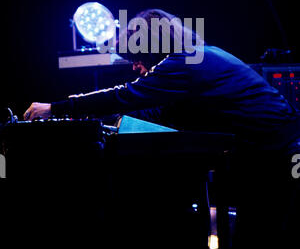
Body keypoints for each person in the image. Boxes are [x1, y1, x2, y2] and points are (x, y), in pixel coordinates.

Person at [24, 8, 299, 151]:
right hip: (273, 147)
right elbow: (157, 110)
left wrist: (57, 108)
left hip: (279, 151)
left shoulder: (184, 64)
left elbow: (126, 95)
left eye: (137, 59)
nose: (136, 67)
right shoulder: (199, 56)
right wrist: (104, 121)